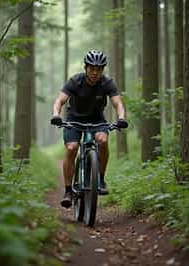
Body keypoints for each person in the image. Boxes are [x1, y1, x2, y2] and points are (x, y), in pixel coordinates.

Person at [51, 50, 127, 208]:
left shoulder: (107, 83)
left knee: (103, 140)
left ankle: (100, 178)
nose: (95, 72)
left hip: (97, 120)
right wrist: (56, 115)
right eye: (92, 68)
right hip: (74, 119)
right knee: (72, 148)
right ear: (85, 68)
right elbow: (60, 100)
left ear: (102, 70)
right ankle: (68, 191)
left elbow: (117, 103)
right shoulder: (75, 81)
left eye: (98, 69)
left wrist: (121, 118)